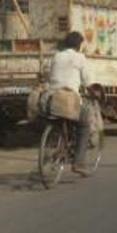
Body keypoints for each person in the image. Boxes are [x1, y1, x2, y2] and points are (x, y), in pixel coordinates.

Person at [46, 30, 96, 175]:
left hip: (53, 98)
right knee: (84, 124)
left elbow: (50, 76)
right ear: (79, 45)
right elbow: (88, 81)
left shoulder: (56, 56)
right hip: (69, 98)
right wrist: (94, 92)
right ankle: (79, 163)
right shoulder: (80, 58)